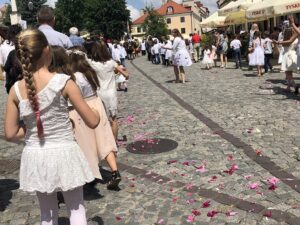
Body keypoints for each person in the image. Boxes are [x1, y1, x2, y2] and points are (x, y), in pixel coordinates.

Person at [4, 29, 99, 225]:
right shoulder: (63, 82)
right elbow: (92, 121)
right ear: (47, 50)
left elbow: (10, 133)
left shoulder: (15, 90)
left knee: (46, 213)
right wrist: (97, 111)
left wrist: (31, 130)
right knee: (75, 208)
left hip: (36, 154)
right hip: (64, 151)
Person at [67, 47, 122, 189]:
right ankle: (115, 171)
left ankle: (90, 174)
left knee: (86, 142)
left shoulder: (73, 77)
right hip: (97, 104)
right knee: (104, 138)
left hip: (81, 109)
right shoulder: (90, 73)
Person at [87, 41, 128, 140]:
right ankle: (114, 141)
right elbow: (126, 75)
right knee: (114, 119)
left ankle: (105, 140)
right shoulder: (111, 62)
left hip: (99, 92)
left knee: (102, 118)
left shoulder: (92, 63)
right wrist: (119, 72)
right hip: (111, 93)